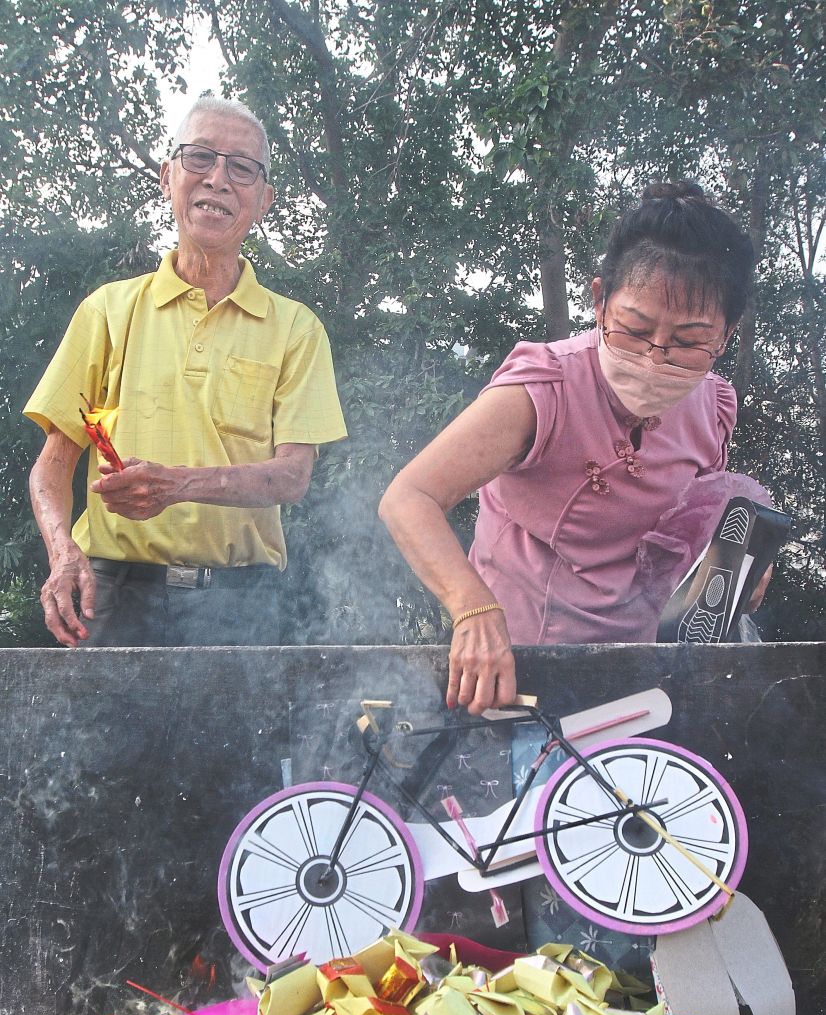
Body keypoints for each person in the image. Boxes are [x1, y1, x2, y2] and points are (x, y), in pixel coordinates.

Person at [380, 181, 771, 713]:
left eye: (687, 342)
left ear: (725, 337)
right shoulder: (542, 391)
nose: (655, 360)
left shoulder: (712, 408)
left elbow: (690, 522)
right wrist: (471, 610)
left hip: (639, 674)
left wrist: (735, 565)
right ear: (600, 302)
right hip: (520, 668)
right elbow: (409, 498)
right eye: (634, 330)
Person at [25, 97, 346, 647]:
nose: (218, 180)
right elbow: (55, 464)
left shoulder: (294, 328)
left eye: (242, 167)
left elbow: (292, 476)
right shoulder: (109, 312)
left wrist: (178, 485)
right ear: (167, 176)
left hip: (243, 605)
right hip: (113, 596)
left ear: (263, 200)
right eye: (200, 158)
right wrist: (62, 553)